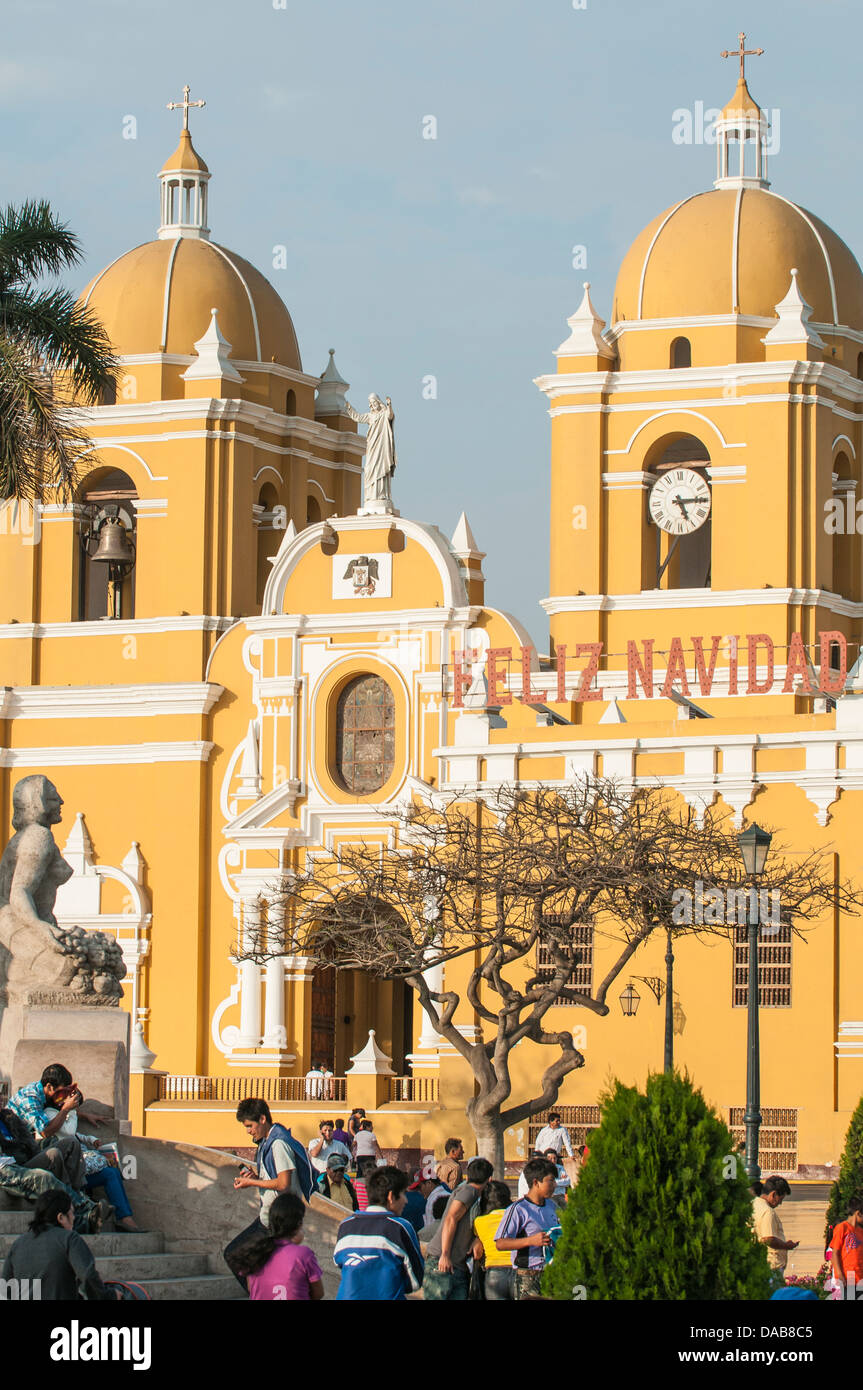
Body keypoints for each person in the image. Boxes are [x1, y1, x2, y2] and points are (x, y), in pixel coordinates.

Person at [9, 1063, 138, 1231]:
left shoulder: (46, 1097)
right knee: (59, 1151)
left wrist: (80, 1113)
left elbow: (57, 1113)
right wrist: (67, 1109)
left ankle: (125, 1219)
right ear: (49, 1087)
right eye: (62, 1092)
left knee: (110, 1172)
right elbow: (46, 1130)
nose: (65, 1096)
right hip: (23, 1156)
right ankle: (84, 1206)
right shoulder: (30, 1099)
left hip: (44, 1153)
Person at [224, 1098, 313, 1287]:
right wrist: (256, 1176)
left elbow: (283, 1183)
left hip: (276, 1221)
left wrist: (251, 1182)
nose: (248, 1130)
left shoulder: (277, 1144)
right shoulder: (268, 1142)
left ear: (262, 1119)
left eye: (250, 1125)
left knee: (234, 1255)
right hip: (270, 1217)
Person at [0, 1107, 106, 1234]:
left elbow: (29, 1143)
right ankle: (84, 1210)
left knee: (69, 1144)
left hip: (24, 1162)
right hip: (6, 1170)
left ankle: (80, 1198)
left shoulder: (8, 1117)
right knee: (44, 1176)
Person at [1, 1190, 119, 1301]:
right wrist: (110, 1296)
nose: (74, 1217)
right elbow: (88, 1276)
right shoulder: (69, 1239)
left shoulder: (18, 1243)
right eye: (72, 1213)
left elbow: (5, 1289)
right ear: (61, 1217)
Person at [333, 1166, 423, 1300]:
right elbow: (415, 1281)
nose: (406, 1200)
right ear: (391, 1196)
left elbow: (339, 1263)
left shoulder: (346, 1226)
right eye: (404, 1193)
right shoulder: (400, 1228)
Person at [422, 1157, 494, 1300]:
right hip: (442, 1261)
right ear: (489, 1179)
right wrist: (445, 1254)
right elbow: (451, 1218)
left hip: (458, 1265)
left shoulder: (474, 1195)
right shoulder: (469, 1191)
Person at [235, 1192, 324, 1302]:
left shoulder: (254, 1251)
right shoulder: (303, 1254)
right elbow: (318, 1293)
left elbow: (251, 1288)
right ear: (299, 1223)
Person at [494, 1157, 561, 1299]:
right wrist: (531, 1241)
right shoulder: (518, 1209)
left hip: (552, 1275)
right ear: (536, 1182)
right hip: (527, 1277)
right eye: (551, 1181)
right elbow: (500, 1243)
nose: (555, 1185)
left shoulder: (552, 1206)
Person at [473, 1180, 514, 1301]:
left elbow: (478, 1250)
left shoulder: (479, 1222)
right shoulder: (516, 1216)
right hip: (516, 1269)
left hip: (494, 1272)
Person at [751, 1176, 798, 1280]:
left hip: (757, 1263)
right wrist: (786, 1246)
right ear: (773, 1194)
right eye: (780, 1199)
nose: (780, 1203)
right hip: (770, 1266)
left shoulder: (754, 1205)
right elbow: (768, 1239)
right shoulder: (768, 1212)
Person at [829, 1195, 863, 1298]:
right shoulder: (842, 1228)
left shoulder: (861, 1232)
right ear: (858, 1213)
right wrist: (840, 1274)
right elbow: (835, 1253)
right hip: (848, 1278)